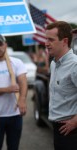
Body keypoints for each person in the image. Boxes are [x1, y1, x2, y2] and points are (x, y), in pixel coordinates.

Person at [45, 21, 77, 150]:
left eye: (51, 40)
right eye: (46, 39)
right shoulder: (54, 63)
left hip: (71, 130)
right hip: (58, 127)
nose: (46, 43)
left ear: (64, 41)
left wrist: (75, 121)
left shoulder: (74, 65)